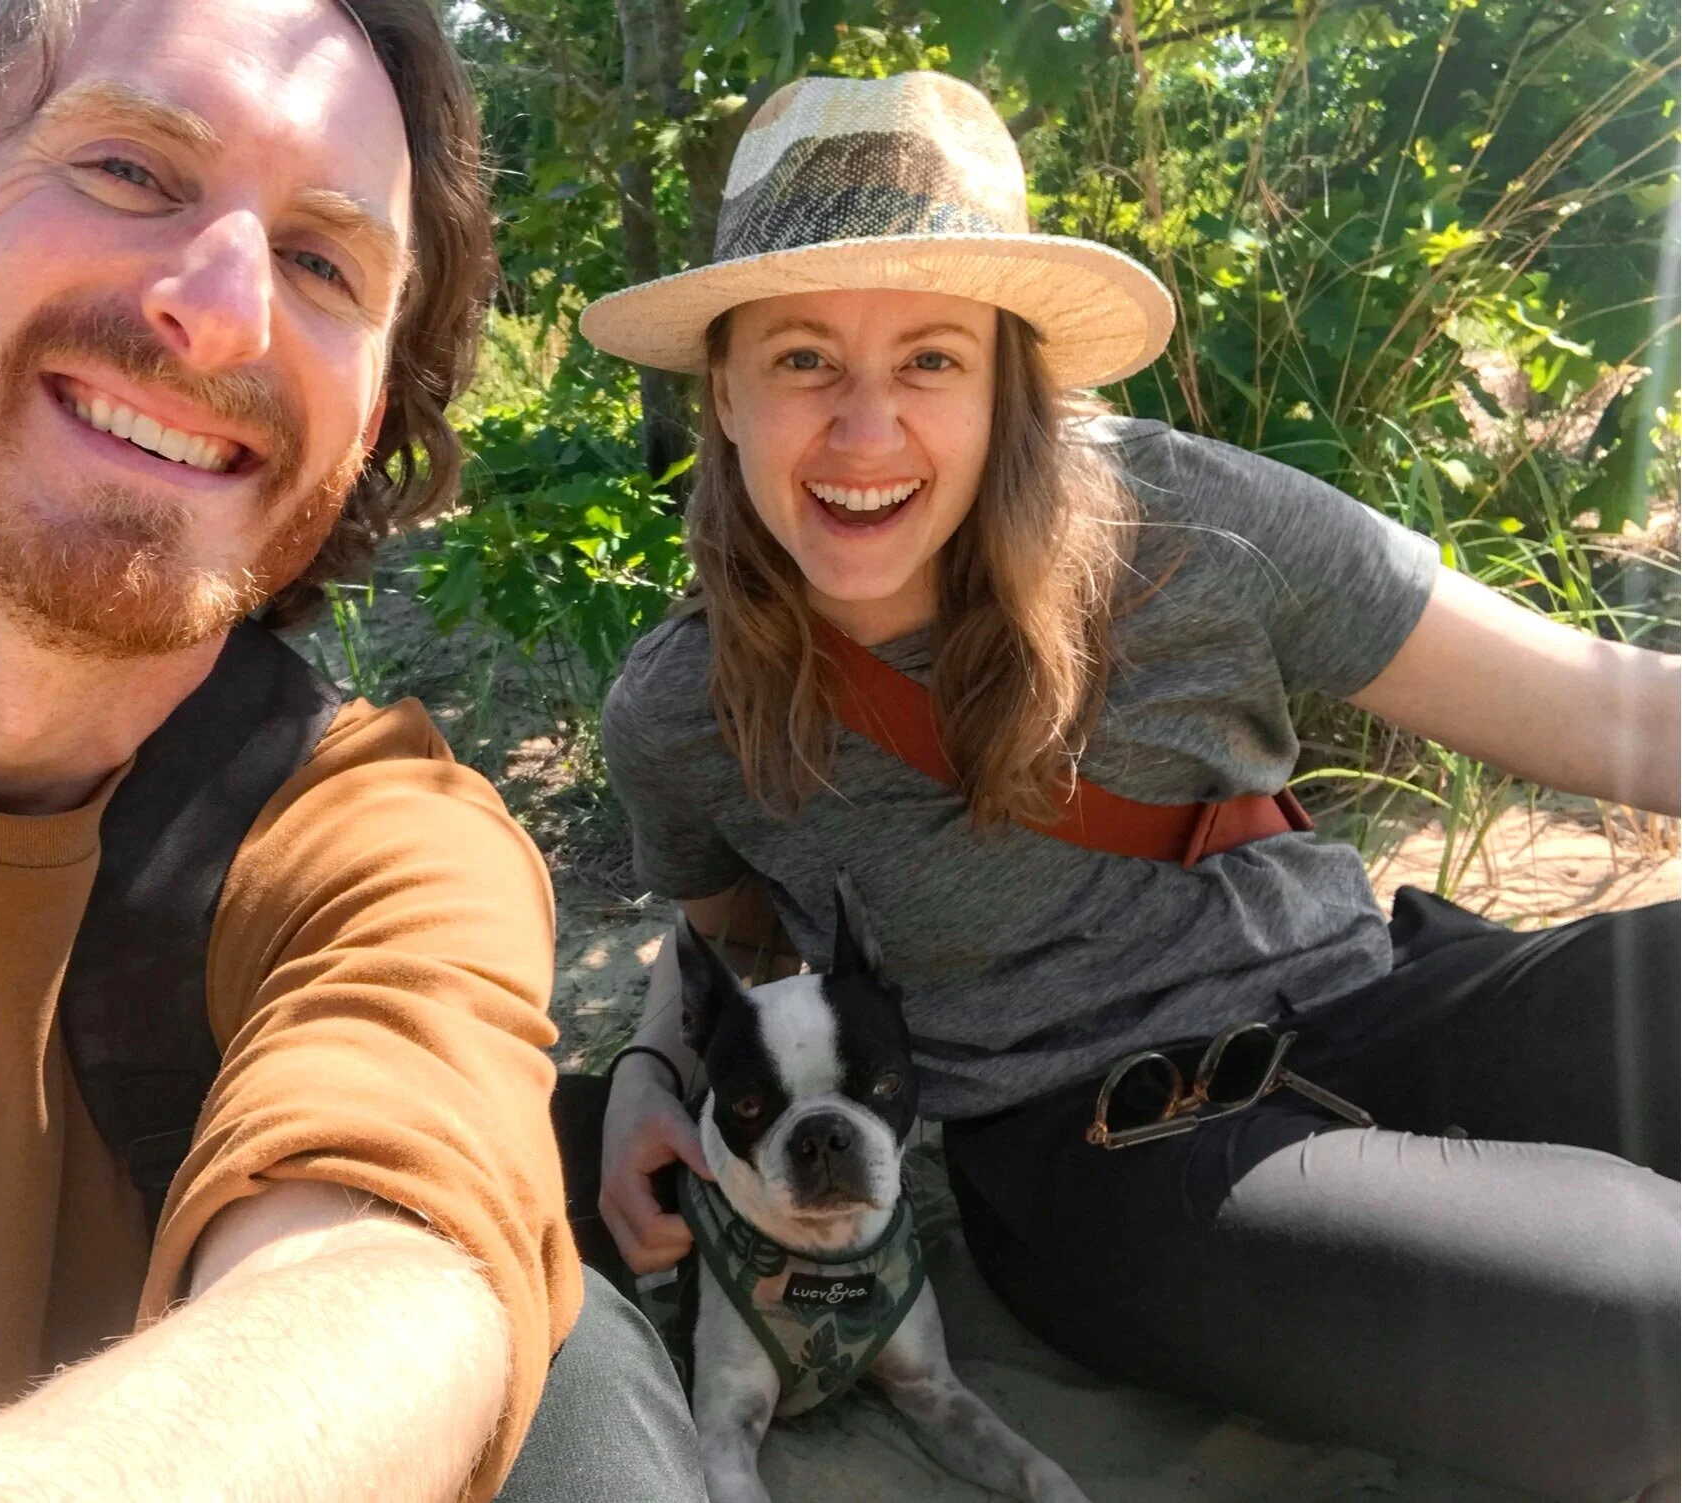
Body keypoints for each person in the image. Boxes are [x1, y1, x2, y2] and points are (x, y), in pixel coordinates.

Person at [584, 70, 1680, 1503]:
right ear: (720, 389)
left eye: (929, 358)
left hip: (1372, 998)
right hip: (1105, 1151)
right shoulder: (684, 705)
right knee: (1645, 1328)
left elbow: (1609, 714)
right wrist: (650, 1074)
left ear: (1007, 380)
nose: (864, 432)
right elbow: (733, 933)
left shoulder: (1192, 522)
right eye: (801, 359)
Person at [0, 1, 707, 1500]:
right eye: (129, 171)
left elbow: (391, 1273)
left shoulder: (388, 841)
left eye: (320, 263)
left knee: (581, 1409)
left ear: (367, 423)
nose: (223, 310)